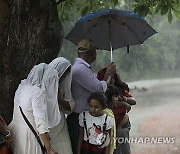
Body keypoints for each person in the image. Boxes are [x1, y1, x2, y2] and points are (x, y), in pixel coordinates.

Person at [67, 39, 116, 154]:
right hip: (79, 117)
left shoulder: (81, 67)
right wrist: (109, 73)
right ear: (91, 53)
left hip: (86, 116)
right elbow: (99, 89)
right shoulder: (80, 69)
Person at [8, 63, 58, 154]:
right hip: (29, 138)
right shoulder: (37, 93)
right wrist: (49, 148)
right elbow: (40, 124)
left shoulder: (22, 86)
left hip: (17, 133)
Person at [98, 69, 136, 154]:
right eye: (109, 77)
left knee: (122, 148)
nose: (112, 80)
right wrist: (122, 104)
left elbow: (133, 101)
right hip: (109, 127)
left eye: (113, 77)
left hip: (122, 126)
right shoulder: (101, 91)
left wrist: (125, 99)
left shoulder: (119, 89)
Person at [47, 57, 74, 154]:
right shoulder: (41, 87)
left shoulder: (60, 87)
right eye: (63, 75)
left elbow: (70, 107)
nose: (63, 78)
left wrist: (60, 99)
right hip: (47, 128)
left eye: (65, 76)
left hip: (60, 127)